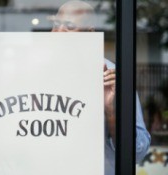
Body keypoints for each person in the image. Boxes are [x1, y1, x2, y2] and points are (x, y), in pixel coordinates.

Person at [51, 1, 151, 175]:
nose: (58, 31)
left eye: (69, 26)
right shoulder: (33, 72)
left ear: (89, 33)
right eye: (55, 24)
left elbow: (137, 153)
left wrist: (112, 112)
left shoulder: (112, 76)